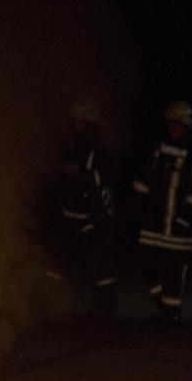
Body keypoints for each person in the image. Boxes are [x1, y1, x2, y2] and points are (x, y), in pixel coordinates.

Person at [131, 100, 192, 326]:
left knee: (174, 270)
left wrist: (185, 218)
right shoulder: (159, 148)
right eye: (170, 124)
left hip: (181, 227)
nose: (173, 128)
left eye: (177, 124)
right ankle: (163, 306)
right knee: (145, 261)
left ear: (187, 125)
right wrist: (137, 206)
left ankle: (170, 315)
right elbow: (144, 178)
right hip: (155, 222)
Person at [58, 100, 118, 314]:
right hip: (75, 212)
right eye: (75, 122)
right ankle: (58, 303)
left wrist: (81, 174)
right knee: (69, 259)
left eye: (80, 122)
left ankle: (106, 307)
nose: (76, 126)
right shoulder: (73, 145)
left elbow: (105, 177)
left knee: (101, 262)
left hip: (97, 213)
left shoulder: (101, 147)